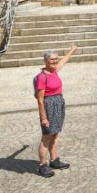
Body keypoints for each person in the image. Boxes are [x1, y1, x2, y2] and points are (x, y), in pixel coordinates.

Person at [36, 44, 77, 177]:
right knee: (46, 137)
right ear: (45, 61)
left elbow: (63, 62)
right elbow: (40, 100)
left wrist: (71, 50)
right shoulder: (42, 77)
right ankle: (42, 165)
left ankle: (54, 160)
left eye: (55, 59)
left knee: (55, 134)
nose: (55, 62)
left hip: (58, 104)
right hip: (48, 106)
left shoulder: (54, 70)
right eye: (52, 60)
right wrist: (43, 117)